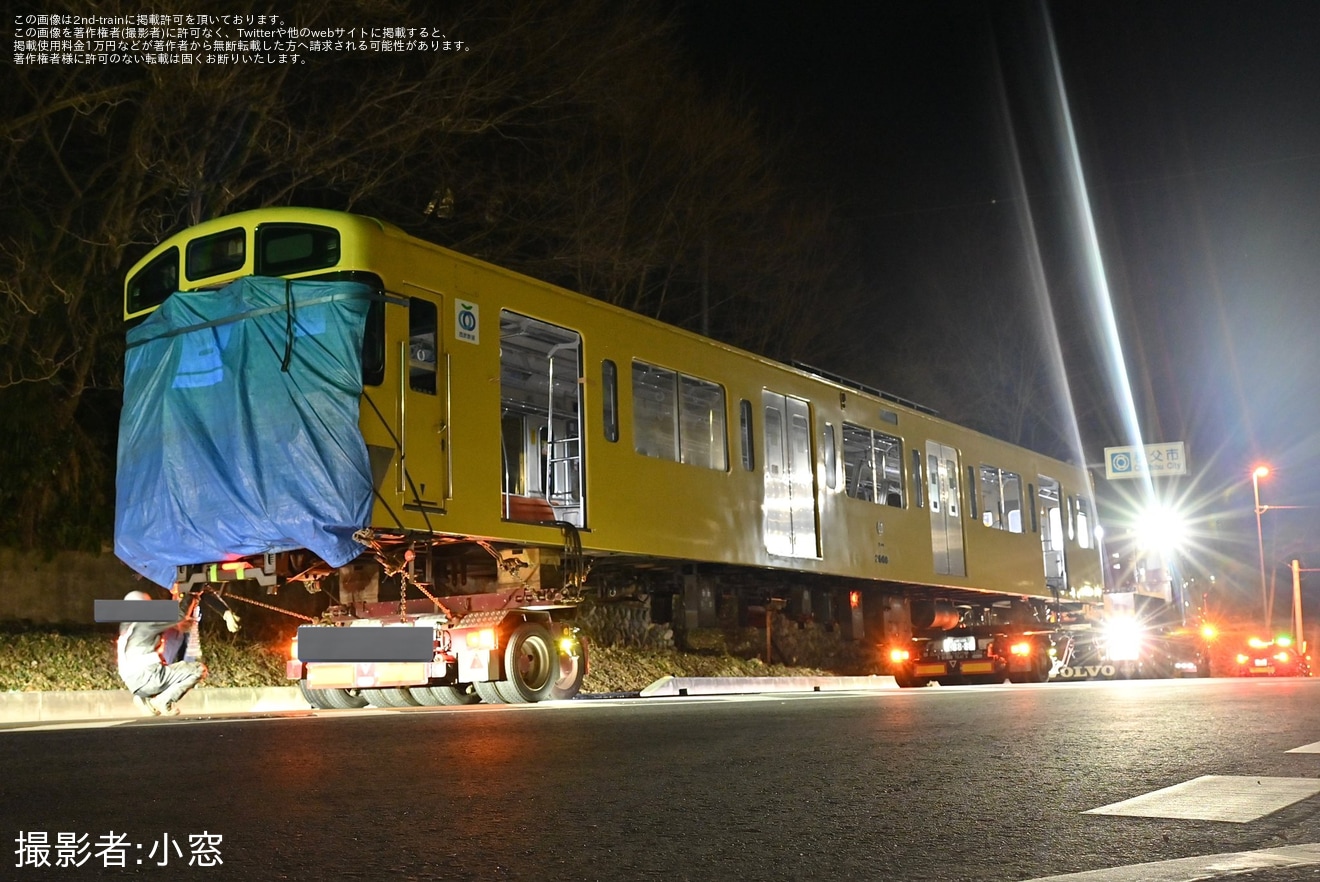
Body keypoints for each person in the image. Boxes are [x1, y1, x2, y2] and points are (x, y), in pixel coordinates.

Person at [117, 589, 208, 716]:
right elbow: (180, 614)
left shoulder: (128, 627)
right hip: (148, 676)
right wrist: (193, 593)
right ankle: (164, 700)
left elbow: (157, 629)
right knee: (198, 669)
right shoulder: (146, 621)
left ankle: (144, 697)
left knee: (165, 669)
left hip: (132, 682)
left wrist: (177, 625)